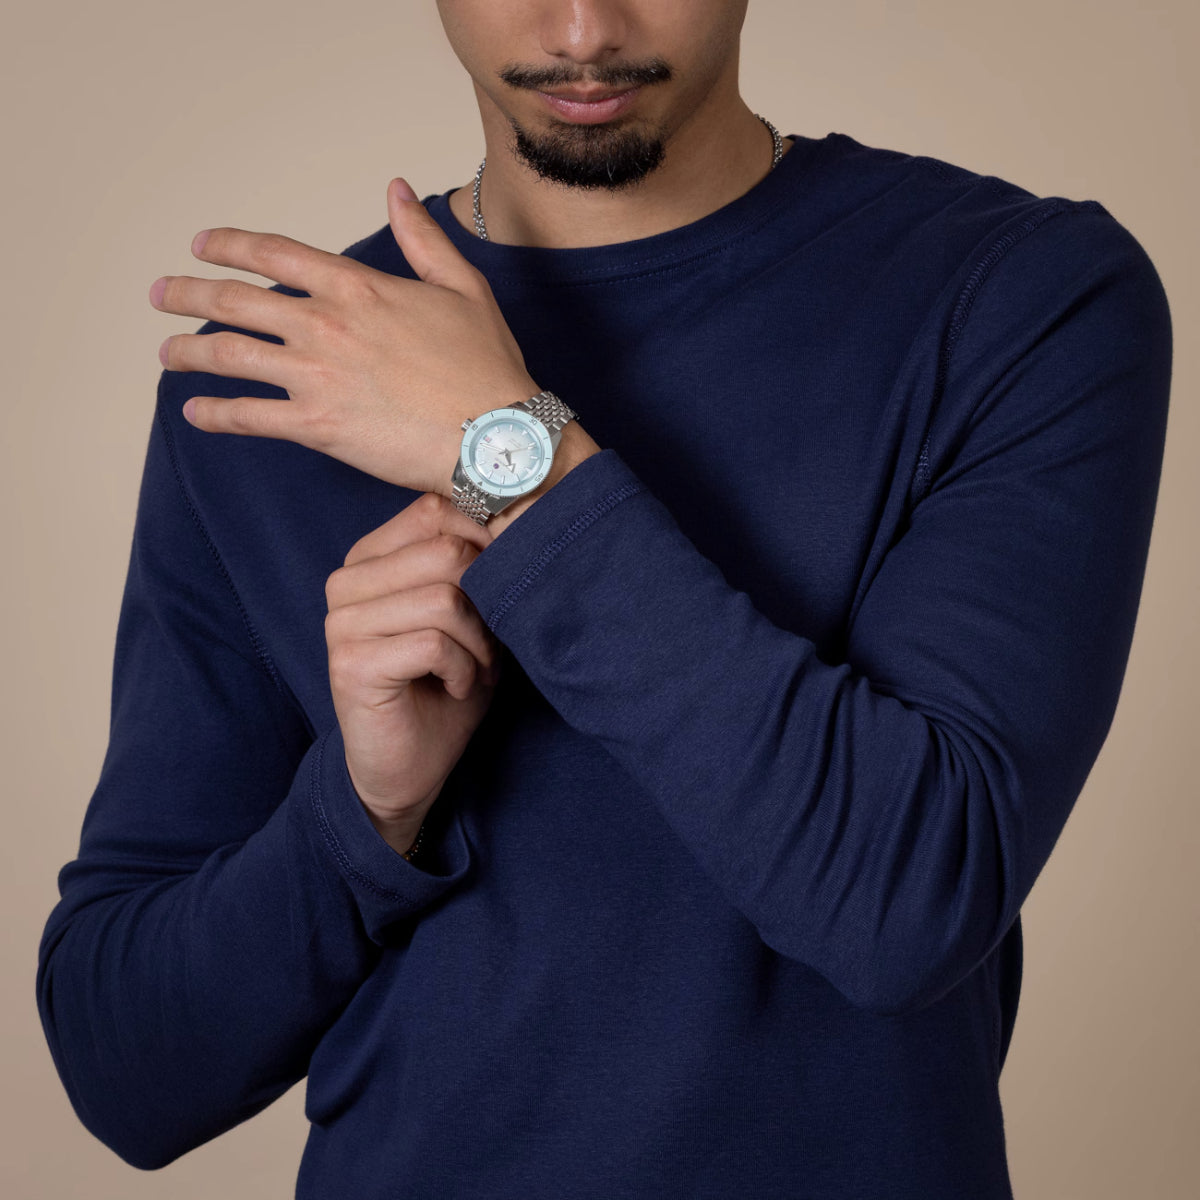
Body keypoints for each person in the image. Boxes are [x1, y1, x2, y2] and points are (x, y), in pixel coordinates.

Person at [36, 2, 1171, 1197]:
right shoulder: (283, 386)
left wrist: (509, 453)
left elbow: (907, 906)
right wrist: (364, 813)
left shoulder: (1015, 298)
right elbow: (130, 1074)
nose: (583, 30)